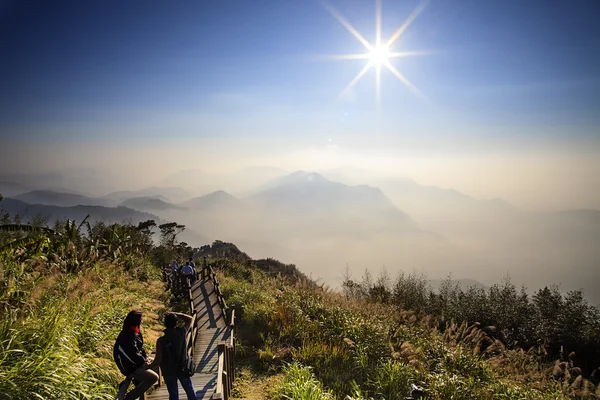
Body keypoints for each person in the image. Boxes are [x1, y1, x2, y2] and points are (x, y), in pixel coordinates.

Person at [147, 312, 197, 400]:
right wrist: (175, 313)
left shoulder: (161, 341)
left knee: (173, 394)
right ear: (176, 323)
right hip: (182, 368)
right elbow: (190, 319)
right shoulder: (181, 333)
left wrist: (148, 367)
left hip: (168, 371)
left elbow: (158, 360)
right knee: (190, 391)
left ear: (165, 325)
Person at [113, 310, 158, 400]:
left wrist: (145, 358)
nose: (142, 320)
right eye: (141, 318)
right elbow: (130, 354)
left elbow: (140, 348)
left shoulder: (134, 331)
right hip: (128, 366)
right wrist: (142, 362)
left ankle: (138, 381)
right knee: (154, 377)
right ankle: (130, 397)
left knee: (156, 363)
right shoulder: (127, 335)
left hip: (135, 363)